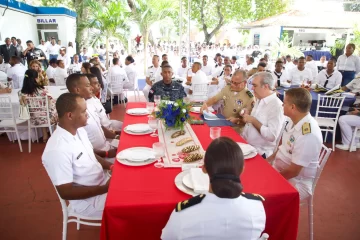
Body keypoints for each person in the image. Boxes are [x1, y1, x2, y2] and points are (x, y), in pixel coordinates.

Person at [161, 137, 266, 240]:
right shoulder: (257, 208)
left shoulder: (183, 214)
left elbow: (166, 237)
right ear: (242, 169)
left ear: (204, 168)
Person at [42, 92, 112, 218]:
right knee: (133, 202)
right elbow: (66, 192)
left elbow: (91, 154)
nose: (87, 115)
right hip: (89, 201)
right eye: (84, 111)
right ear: (70, 115)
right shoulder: (57, 149)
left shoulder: (79, 130)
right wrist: (105, 189)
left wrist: (110, 166)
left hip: (102, 183)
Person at [268, 88, 323, 200]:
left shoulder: (308, 134)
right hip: (280, 170)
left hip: (297, 182)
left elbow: (293, 172)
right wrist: (267, 161)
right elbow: (283, 148)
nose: (282, 105)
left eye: (285, 103)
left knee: (263, 196)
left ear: (293, 107)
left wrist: (271, 180)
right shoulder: (293, 121)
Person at [66, 74, 119, 159]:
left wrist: (116, 136)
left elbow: (100, 126)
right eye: (88, 85)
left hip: (107, 145)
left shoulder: (88, 103)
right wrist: (106, 154)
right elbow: (83, 148)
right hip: (99, 156)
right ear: (77, 90)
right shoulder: (74, 116)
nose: (92, 88)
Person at [241, 72, 285, 158]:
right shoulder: (260, 99)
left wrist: (253, 120)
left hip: (260, 153)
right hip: (247, 146)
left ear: (266, 86)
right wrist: (248, 115)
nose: (252, 88)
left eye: (255, 85)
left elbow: (272, 136)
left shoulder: (276, 106)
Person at [20, 69, 58, 142]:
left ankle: (45, 135)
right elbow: (51, 102)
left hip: (32, 119)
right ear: (36, 79)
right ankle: (54, 136)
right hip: (46, 118)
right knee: (58, 113)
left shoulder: (22, 93)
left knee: (42, 112)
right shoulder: (42, 90)